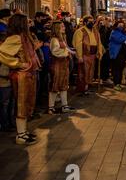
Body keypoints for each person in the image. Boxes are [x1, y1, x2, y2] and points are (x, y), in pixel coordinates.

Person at [0, 14, 42, 145]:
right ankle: (20, 134)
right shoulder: (15, 38)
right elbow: (2, 53)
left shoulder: (24, 37)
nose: (29, 24)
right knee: (21, 104)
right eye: (26, 22)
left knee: (27, 103)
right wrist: (18, 63)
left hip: (29, 75)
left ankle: (23, 131)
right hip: (22, 76)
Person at [48, 21, 76, 114]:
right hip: (57, 65)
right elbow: (55, 52)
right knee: (55, 85)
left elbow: (65, 48)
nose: (64, 27)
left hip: (64, 64)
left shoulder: (61, 38)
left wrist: (71, 51)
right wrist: (67, 52)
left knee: (64, 85)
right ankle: (51, 107)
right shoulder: (54, 39)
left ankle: (65, 105)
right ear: (57, 28)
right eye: (62, 26)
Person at [72, 16, 104, 95]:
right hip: (84, 54)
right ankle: (81, 88)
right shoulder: (80, 31)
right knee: (83, 72)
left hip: (92, 55)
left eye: (92, 21)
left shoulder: (95, 31)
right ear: (85, 22)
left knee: (90, 72)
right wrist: (79, 56)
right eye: (90, 21)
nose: (92, 23)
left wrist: (99, 52)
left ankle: (87, 87)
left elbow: (99, 43)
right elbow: (78, 44)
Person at [109, 21, 126, 91]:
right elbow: (119, 40)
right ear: (116, 26)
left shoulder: (123, 32)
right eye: (120, 25)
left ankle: (119, 83)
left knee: (121, 69)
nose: (121, 26)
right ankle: (116, 84)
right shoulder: (114, 32)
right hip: (117, 54)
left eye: (122, 25)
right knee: (117, 70)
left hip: (123, 55)